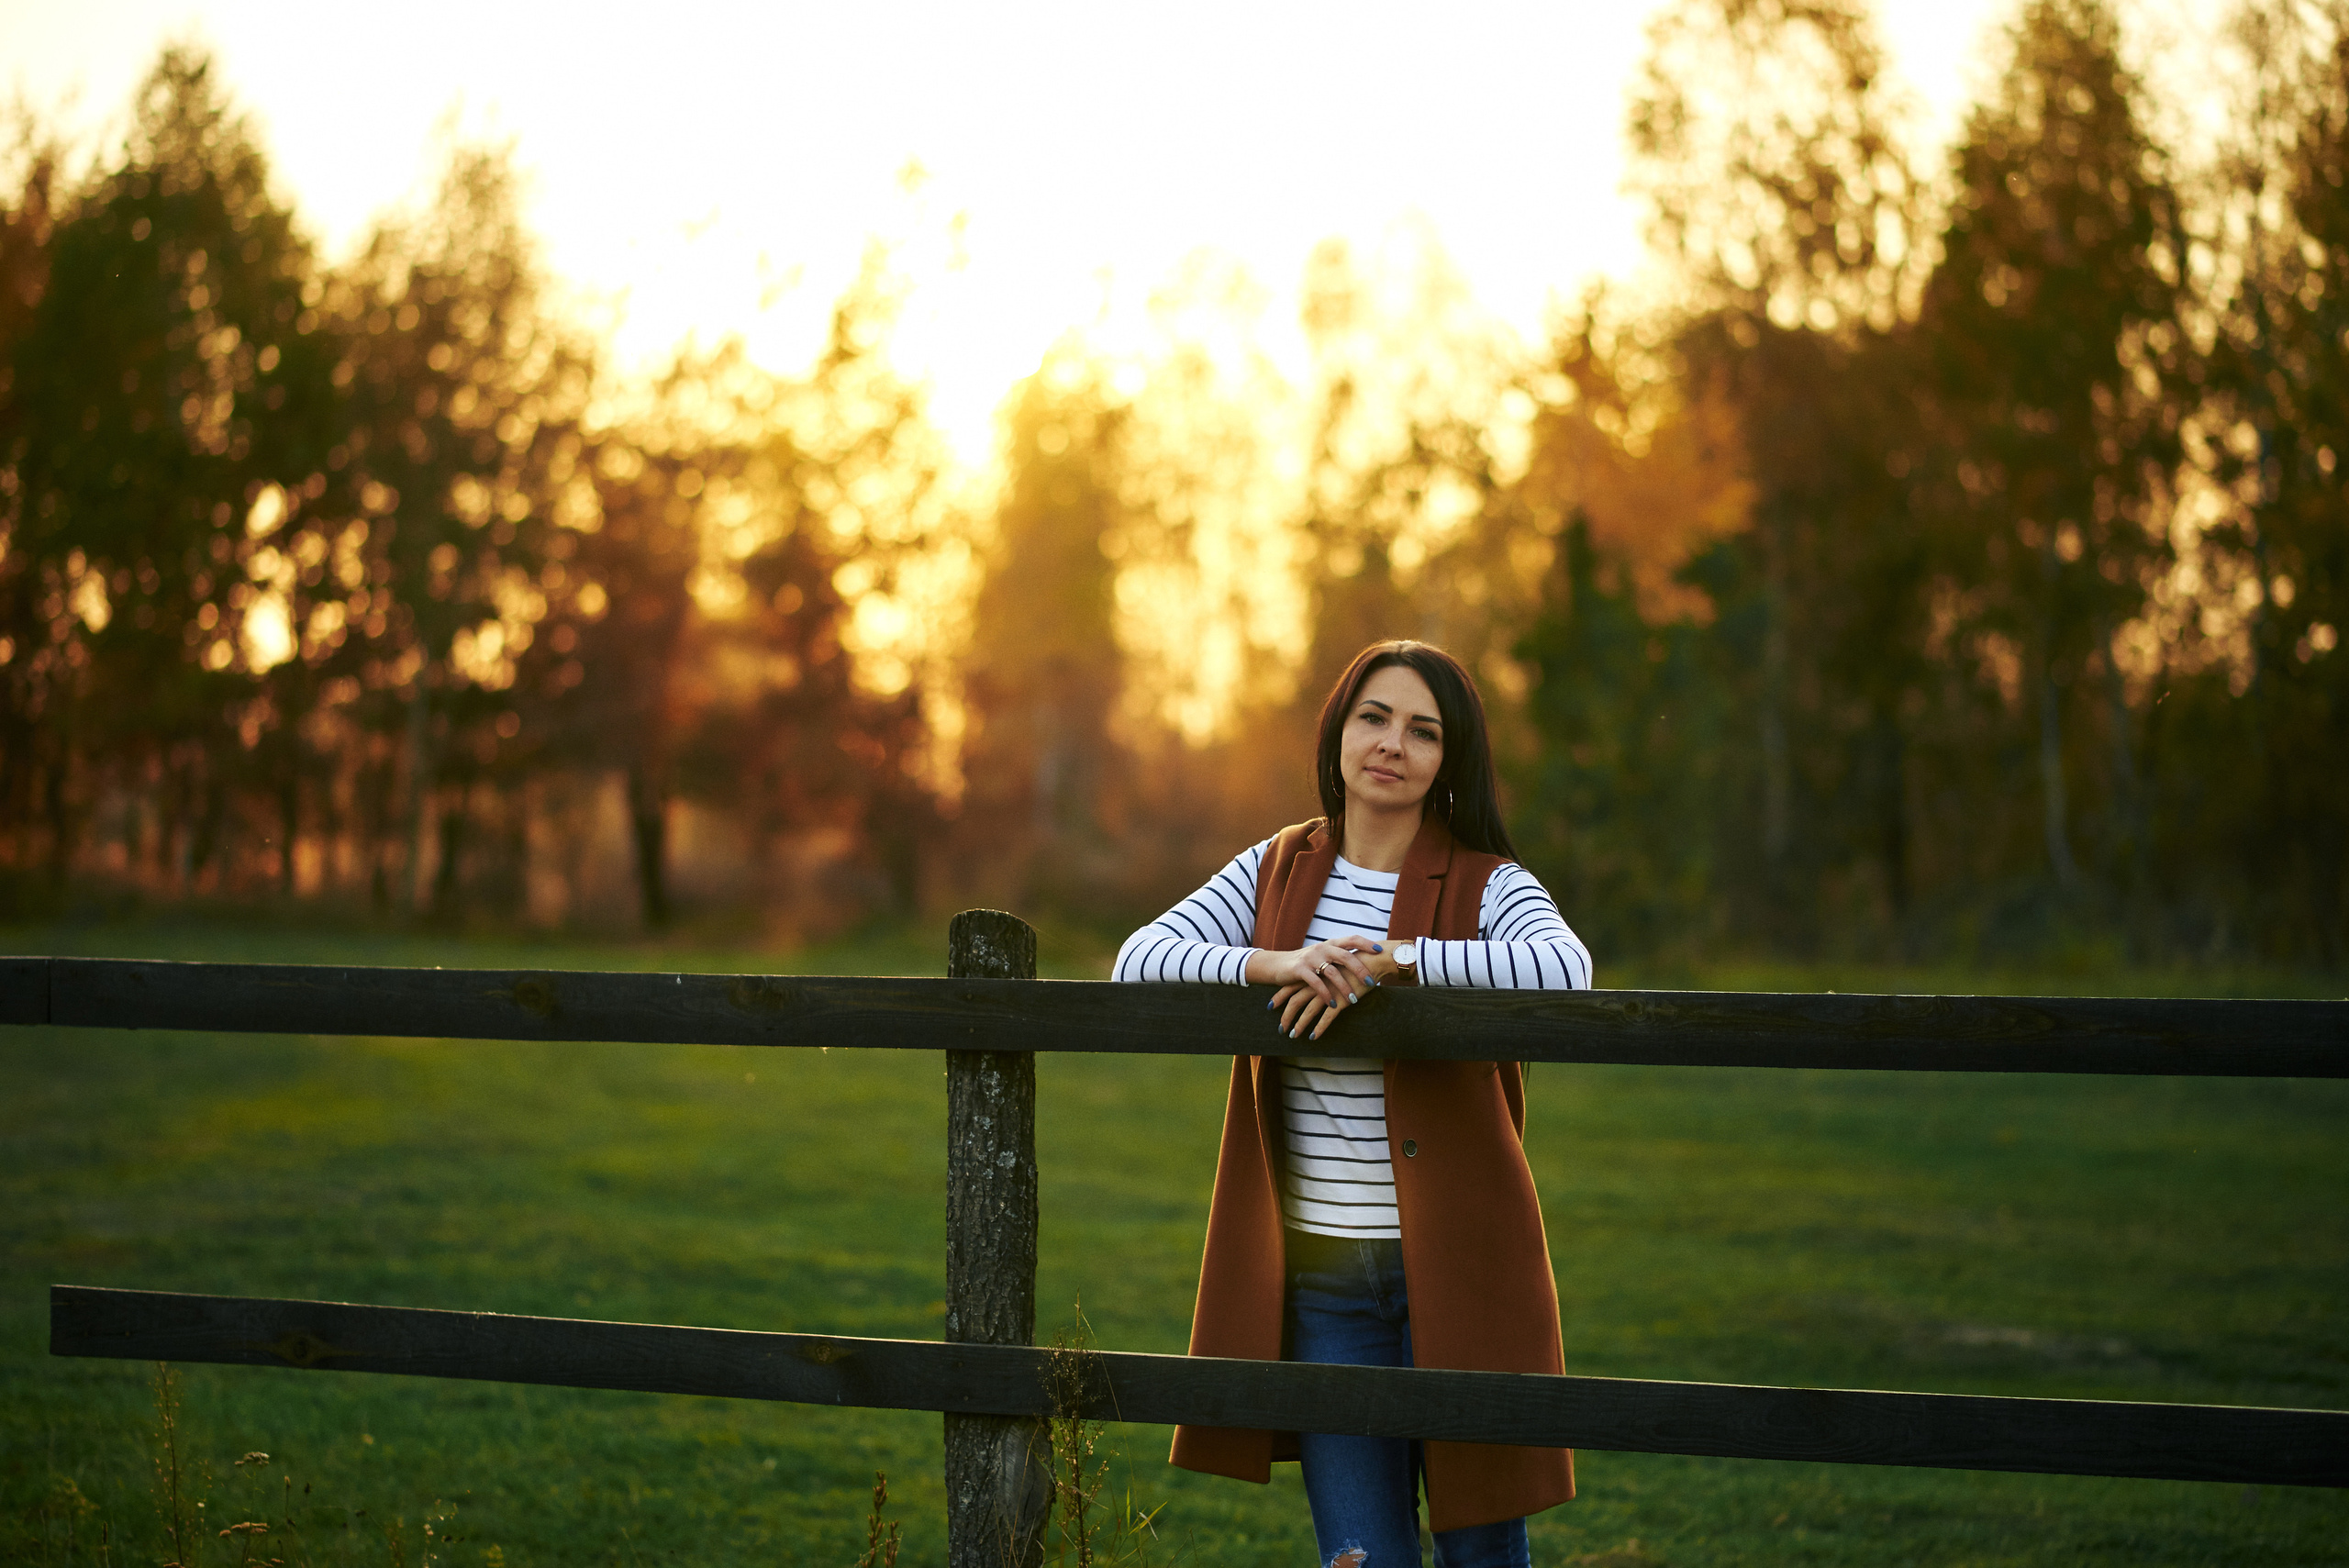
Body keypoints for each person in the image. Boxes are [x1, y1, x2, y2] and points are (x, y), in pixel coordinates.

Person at [1113, 639, 1591, 1568]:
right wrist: (1273, 961)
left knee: (1482, 1548)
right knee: (1363, 1558)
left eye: (1422, 730)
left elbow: (1562, 971)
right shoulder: (1275, 869)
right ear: (1338, 729)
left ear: (1448, 760)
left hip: (1459, 1270)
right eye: (1374, 716)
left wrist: (1393, 958)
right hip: (1326, 1282)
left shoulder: (1491, 882)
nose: (1392, 744)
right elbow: (1141, 957)